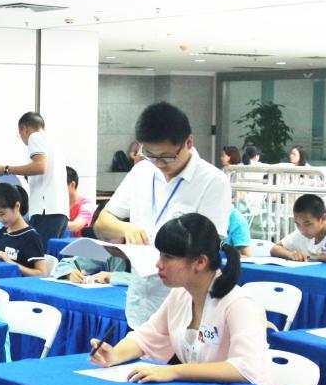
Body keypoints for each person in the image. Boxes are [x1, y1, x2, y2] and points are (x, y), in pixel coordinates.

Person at [93, 102, 232, 328]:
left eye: (166, 157)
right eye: (149, 154)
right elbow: (102, 222)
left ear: (188, 142)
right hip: (139, 304)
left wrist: (159, 254)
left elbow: (207, 248)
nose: (158, 163)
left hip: (185, 307)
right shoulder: (142, 171)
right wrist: (125, 230)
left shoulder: (213, 181)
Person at [89, 214, 271, 385]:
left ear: (200, 262)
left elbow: (245, 368)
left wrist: (174, 371)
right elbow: (146, 337)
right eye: (160, 255)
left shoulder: (239, 304)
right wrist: (115, 355)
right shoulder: (180, 295)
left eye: (168, 257)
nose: (158, 264)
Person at [0, 112, 69, 244]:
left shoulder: (35, 137)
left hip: (45, 211)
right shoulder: (53, 143)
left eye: (19, 134)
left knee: (37, 253)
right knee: (47, 254)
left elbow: (40, 167)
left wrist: (6, 169)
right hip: (59, 210)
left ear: (24, 128)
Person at [0, 184, 52, 277]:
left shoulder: (31, 236)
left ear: (17, 206)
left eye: (2, 214)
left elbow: (42, 273)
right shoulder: (5, 231)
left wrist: (11, 263)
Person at [270, 194, 326, 264]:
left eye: (307, 224)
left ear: (323, 218)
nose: (302, 230)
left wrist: (314, 258)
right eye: (298, 224)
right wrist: (291, 254)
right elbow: (275, 248)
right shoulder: (301, 233)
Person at [65, 165, 95, 237]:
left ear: (72, 185)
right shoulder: (58, 204)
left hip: (80, 243)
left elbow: (75, 226)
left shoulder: (86, 205)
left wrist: (51, 223)